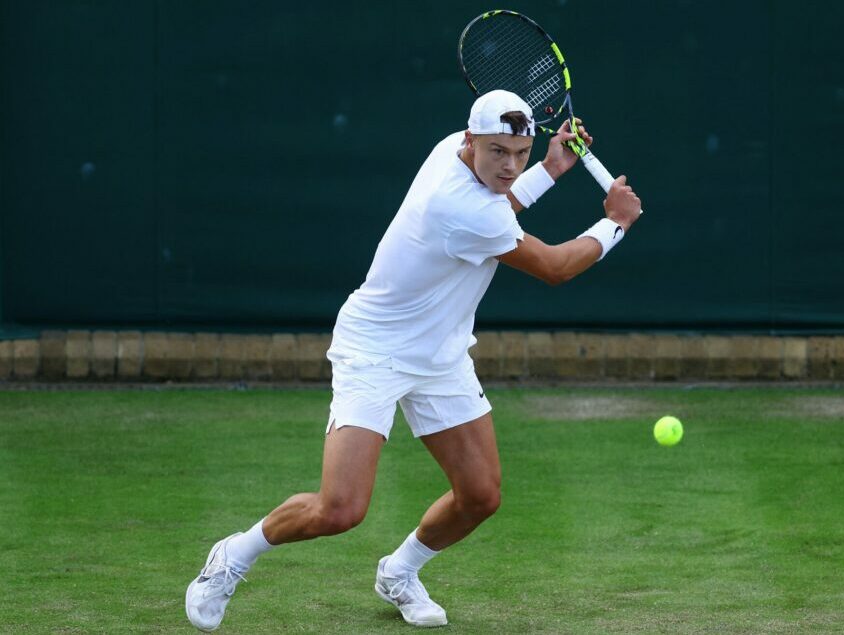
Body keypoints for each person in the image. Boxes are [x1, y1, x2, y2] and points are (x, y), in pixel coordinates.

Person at [185, 89, 642, 631]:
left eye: (520, 153)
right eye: (498, 152)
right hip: (375, 350)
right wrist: (615, 223)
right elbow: (554, 267)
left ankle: (399, 572)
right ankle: (233, 554)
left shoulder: (452, 150)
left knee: (480, 496)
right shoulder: (460, 207)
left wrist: (550, 168)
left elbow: (500, 206)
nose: (509, 166)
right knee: (340, 508)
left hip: (441, 353)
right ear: (472, 140)